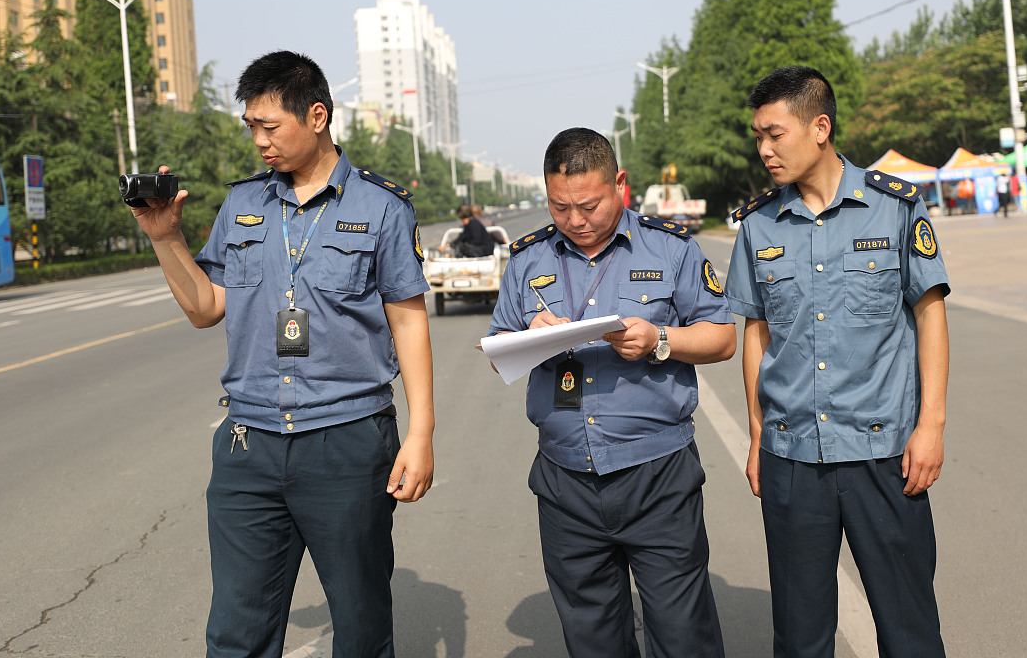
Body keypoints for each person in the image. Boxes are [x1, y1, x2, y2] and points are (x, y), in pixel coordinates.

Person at [131, 50, 435, 658]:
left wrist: (421, 432)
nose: (259, 141)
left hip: (347, 441)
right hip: (250, 446)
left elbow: (408, 322)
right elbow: (203, 307)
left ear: (317, 116)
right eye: (251, 127)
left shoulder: (381, 208)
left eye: (270, 127)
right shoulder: (243, 204)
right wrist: (166, 238)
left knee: (360, 628)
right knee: (236, 632)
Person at [724, 66, 950, 658]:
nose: (764, 149)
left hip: (885, 455)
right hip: (792, 458)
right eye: (758, 136)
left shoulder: (894, 208)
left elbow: (929, 315)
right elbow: (755, 333)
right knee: (800, 638)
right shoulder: (757, 225)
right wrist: (755, 433)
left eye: (775, 133)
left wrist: (931, 426)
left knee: (910, 631)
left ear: (819, 127)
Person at [488, 128, 736, 658]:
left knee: (682, 631)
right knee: (591, 634)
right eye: (560, 207)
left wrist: (660, 339)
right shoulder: (529, 259)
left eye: (589, 205)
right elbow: (499, 348)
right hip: (565, 480)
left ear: (620, 184)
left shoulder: (671, 248)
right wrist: (531, 341)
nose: (575, 220)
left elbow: (722, 337)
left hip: (657, 476)